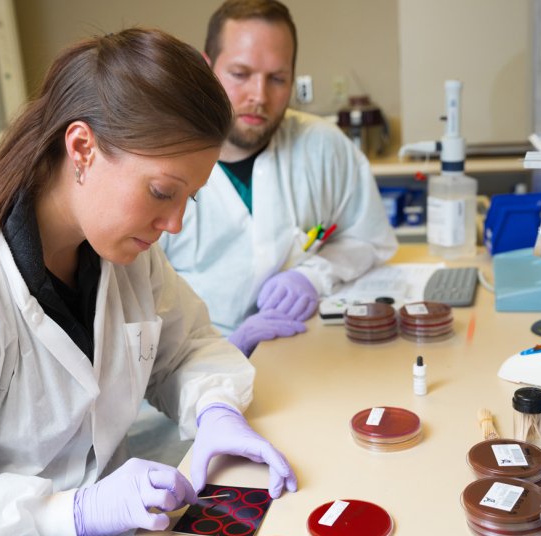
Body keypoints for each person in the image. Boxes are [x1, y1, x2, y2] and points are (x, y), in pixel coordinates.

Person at [0, 29, 295, 536]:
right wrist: (67, 512)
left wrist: (215, 411)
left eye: (190, 198)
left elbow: (184, 348)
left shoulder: (127, 258)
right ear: (82, 148)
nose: (176, 222)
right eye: (162, 191)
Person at [160, 0, 399, 357]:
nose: (259, 96)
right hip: (187, 376)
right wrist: (224, 354)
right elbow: (135, 322)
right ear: (206, 68)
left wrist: (313, 275)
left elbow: (369, 238)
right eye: (240, 74)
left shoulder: (323, 147)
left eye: (277, 78)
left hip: (305, 352)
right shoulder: (160, 168)